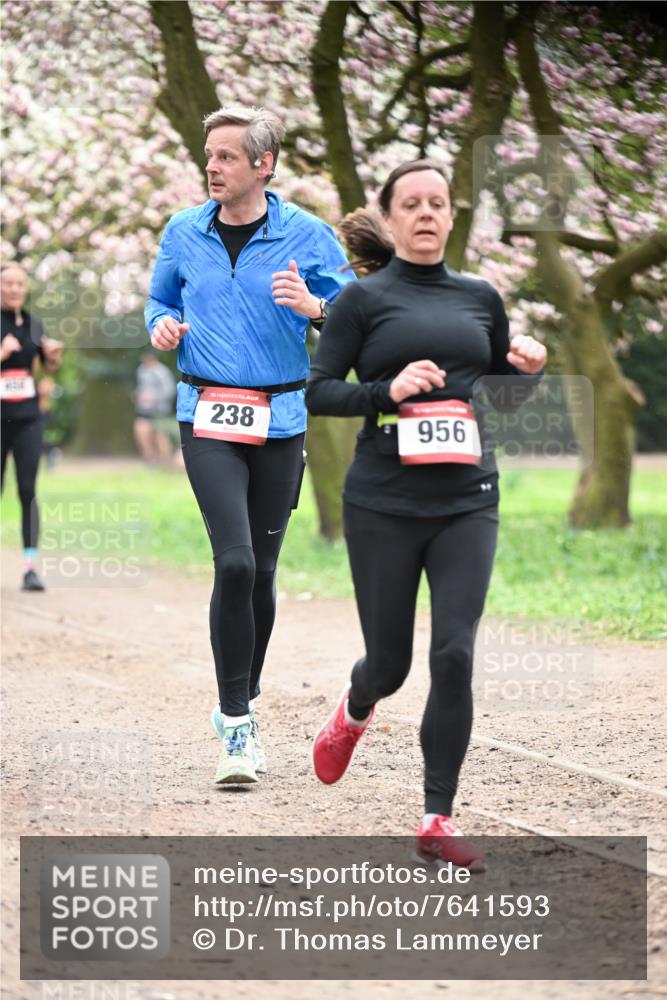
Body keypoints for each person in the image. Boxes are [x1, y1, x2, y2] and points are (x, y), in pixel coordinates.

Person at [306, 160, 547, 871]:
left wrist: (525, 373)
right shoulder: (360, 301)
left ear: (450, 216)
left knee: (454, 653)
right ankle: (356, 706)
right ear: (389, 215)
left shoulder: (480, 295)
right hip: (381, 500)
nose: (425, 214)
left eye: (437, 203)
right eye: (410, 203)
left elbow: (492, 391)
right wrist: (387, 390)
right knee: (390, 662)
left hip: (467, 498)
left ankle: (437, 816)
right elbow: (318, 392)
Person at [145, 105, 353, 786]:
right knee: (232, 563)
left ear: (263, 165)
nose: (213, 165)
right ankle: (237, 724)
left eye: (228, 156)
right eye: (209, 155)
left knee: (262, 573)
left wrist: (316, 309)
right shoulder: (182, 232)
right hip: (204, 413)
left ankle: (243, 693)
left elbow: (355, 311)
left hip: (280, 420)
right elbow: (158, 301)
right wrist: (165, 325)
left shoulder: (306, 235)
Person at [1, 261, 63, 591]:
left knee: (28, 490)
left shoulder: (34, 323)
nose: (13, 289)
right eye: (7, 284)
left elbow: (47, 369)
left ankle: (29, 568)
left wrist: (53, 355)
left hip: (27, 418)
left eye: (19, 284)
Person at [133, 350, 177, 465]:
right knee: (141, 430)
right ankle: (150, 458)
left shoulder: (162, 372)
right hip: (145, 409)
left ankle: (167, 461)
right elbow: (141, 387)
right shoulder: (142, 371)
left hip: (160, 409)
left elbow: (170, 391)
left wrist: (154, 397)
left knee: (160, 435)